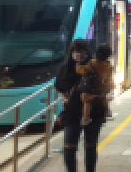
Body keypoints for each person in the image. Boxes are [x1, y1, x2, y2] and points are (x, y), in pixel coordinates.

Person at [54, 39, 105, 172]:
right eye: (76, 51)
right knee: (69, 148)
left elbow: (106, 85)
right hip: (73, 112)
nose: (79, 54)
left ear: (87, 52)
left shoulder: (95, 67)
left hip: (94, 111)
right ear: (72, 53)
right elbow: (59, 85)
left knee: (90, 147)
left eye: (82, 51)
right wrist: (68, 96)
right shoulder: (66, 69)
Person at [76, 44, 113, 126]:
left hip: (90, 89)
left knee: (87, 102)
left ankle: (86, 118)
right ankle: (107, 110)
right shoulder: (109, 65)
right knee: (104, 98)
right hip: (101, 88)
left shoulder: (93, 63)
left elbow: (82, 71)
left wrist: (78, 64)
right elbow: (109, 77)